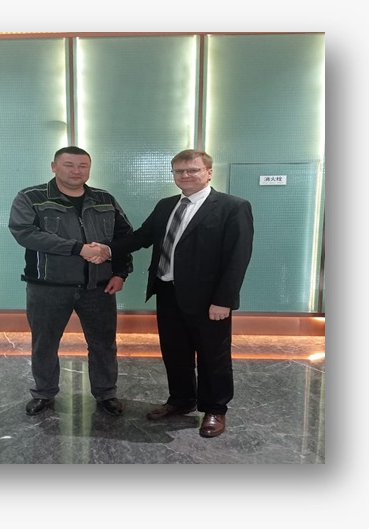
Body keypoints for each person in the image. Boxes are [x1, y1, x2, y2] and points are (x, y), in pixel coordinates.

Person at [89, 149, 254, 437]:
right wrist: (108, 250)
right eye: (179, 171)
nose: (185, 175)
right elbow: (142, 237)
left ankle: (215, 409)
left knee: (213, 356)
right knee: (175, 351)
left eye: (193, 170)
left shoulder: (233, 207)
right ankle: (181, 400)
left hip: (209, 300)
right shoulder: (166, 205)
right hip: (167, 291)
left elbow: (237, 258)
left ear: (209, 173)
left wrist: (224, 301)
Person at [8, 146, 133, 417]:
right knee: (45, 343)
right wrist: (79, 249)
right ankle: (44, 393)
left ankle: (106, 393)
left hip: (98, 287)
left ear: (89, 168)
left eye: (82, 166)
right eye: (68, 165)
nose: (76, 171)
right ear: (54, 166)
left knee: (103, 344)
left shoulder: (104, 199)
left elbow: (125, 237)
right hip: (48, 287)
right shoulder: (31, 197)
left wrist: (120, 273)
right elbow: (25, 233)